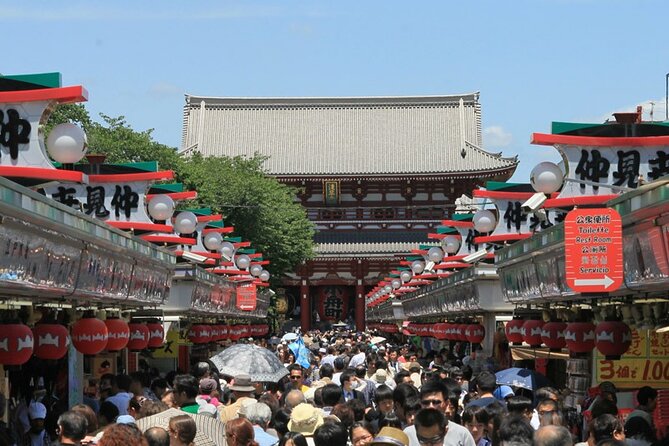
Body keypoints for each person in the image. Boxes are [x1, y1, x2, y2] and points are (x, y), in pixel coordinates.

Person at [407, 408, 474, 446]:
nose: (429, 445)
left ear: (445, 431)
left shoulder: (463, 434)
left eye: (435, 440)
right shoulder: (407, 435)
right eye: (423, 440)